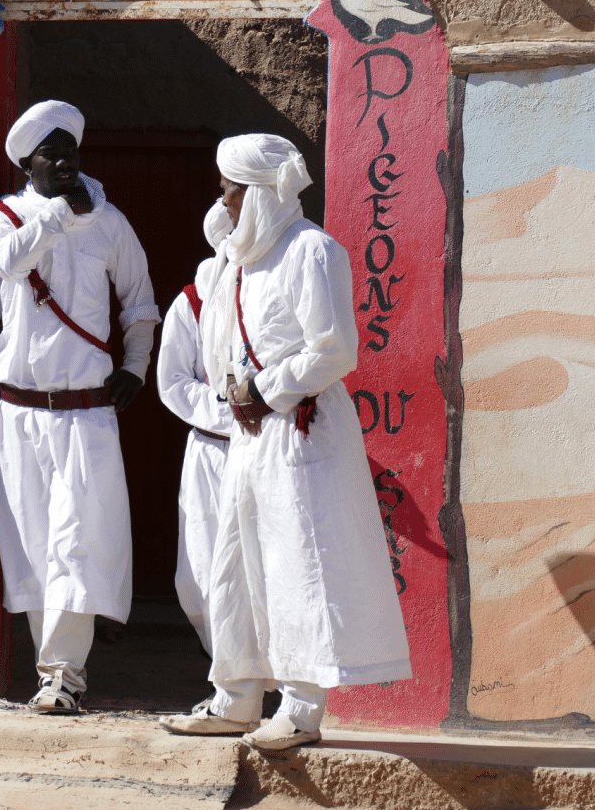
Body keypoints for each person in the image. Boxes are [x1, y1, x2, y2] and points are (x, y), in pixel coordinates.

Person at [160, 134, 411, 750]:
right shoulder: (236, 263)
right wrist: (237, 398)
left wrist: (264, 388)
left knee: (298, 565)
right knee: (236, 567)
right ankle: (236, 696)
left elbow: (335, 351)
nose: (222, 199)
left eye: (231, 189)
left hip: (300, 433)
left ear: (260, 193)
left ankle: (300, 711)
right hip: (246, 437)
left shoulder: (313, 251)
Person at [0, 100, 160, 712]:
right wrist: (59, 215)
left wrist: (136, 366)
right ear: (26, 163)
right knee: (32, 541)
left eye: (70, 151)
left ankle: (64, 676)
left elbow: (140, 301)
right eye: (49, 154)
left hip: (86, 413)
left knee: (76, 540)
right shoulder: (3, 215)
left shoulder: (110, 223)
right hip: (20, 411)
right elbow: (8, 261)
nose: (62, 161)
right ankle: (48, 671)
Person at [157, 201, 235, 667]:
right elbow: (173, 382)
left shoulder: (279, 292)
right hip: (211, 449)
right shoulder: (193, 301)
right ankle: (229, 674)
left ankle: (267, 686)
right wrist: (232, 413)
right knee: (200, 576)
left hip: (269, 448)